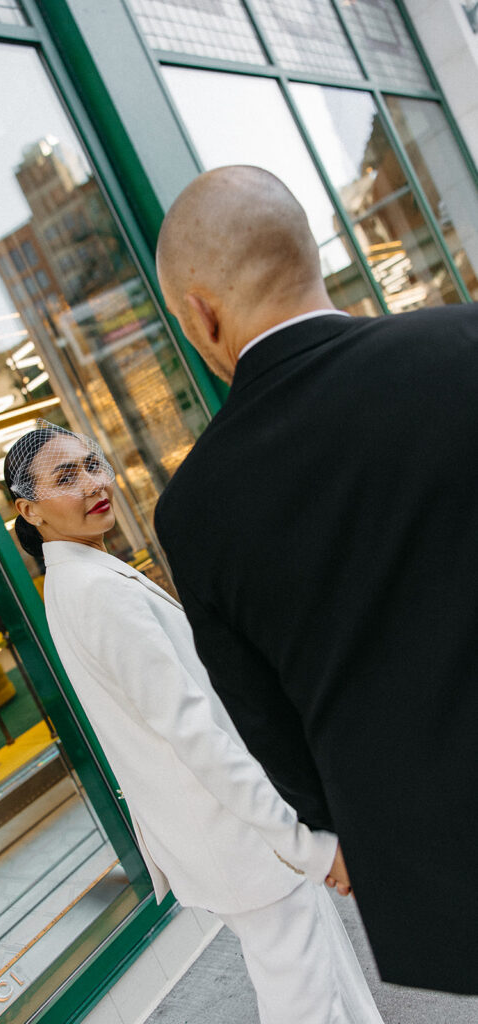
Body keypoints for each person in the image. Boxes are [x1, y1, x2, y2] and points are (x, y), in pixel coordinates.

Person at [153, 164, 478, 996]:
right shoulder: (461, 345)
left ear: (200, 311)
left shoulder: (195, 510)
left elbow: (273, 738)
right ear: (311, 256)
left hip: (441, 869)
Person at [3, 419, 385, 1024]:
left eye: (93, 464)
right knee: (303, 999)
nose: (93, 483)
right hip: (237, 834)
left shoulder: (81, 580)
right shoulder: (95, 591)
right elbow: (193, 732)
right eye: (65, 477)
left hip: (232, 831)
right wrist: (300, 839)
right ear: (31, 510)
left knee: (326, 978)